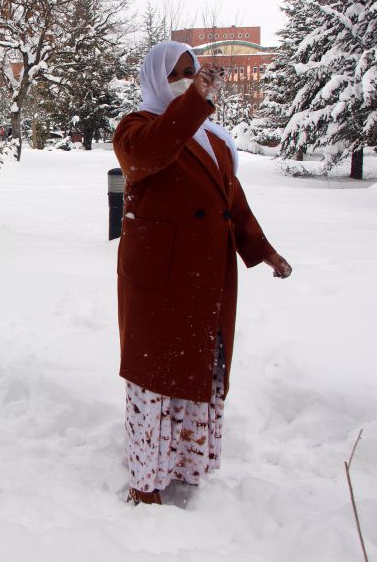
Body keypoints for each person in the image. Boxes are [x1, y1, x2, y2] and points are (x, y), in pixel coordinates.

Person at [112, 41, 292, 505]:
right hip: (159, 278)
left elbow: (230, 199)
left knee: (198, 368)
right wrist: (195, 101)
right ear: (155, 76)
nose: (190, 77)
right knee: (155, 376)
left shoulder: (213, 137)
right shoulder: (136, 127)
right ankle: (146, 481)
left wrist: (262, 250)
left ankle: (189, 467)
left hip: (205, 273)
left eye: (194, 70)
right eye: (180, 71)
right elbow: (150, 155)